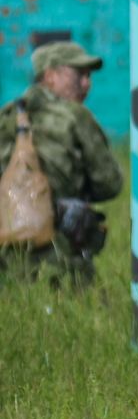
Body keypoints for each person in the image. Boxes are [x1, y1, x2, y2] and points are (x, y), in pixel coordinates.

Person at [1, 41, 123, 277]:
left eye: (88, 76)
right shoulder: (75, 116)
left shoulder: (5, 117)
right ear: (50, 76)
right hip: (61, 258)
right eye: (78, 74)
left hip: (7, 259)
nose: (86, 83)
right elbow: (110, 184)